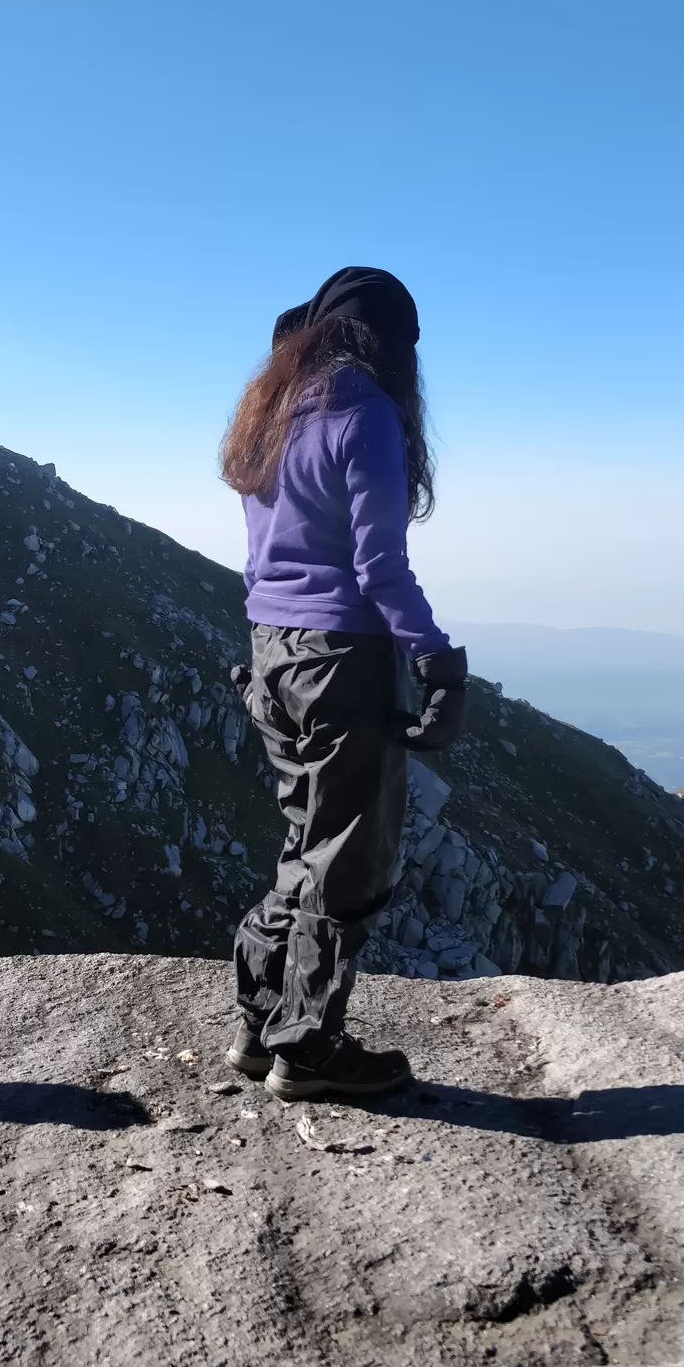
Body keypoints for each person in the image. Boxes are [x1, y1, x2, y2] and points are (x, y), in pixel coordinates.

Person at [219, 267, 467, 1102]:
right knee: (347, 861)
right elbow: (380, 568)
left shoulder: (274, 410)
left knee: (304, 840)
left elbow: (264, 556)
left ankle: (259, 1028)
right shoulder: (365, 413)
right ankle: (311, 1053)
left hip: (271, 648)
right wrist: (437, 659)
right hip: (341, 659)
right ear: (393, 345)